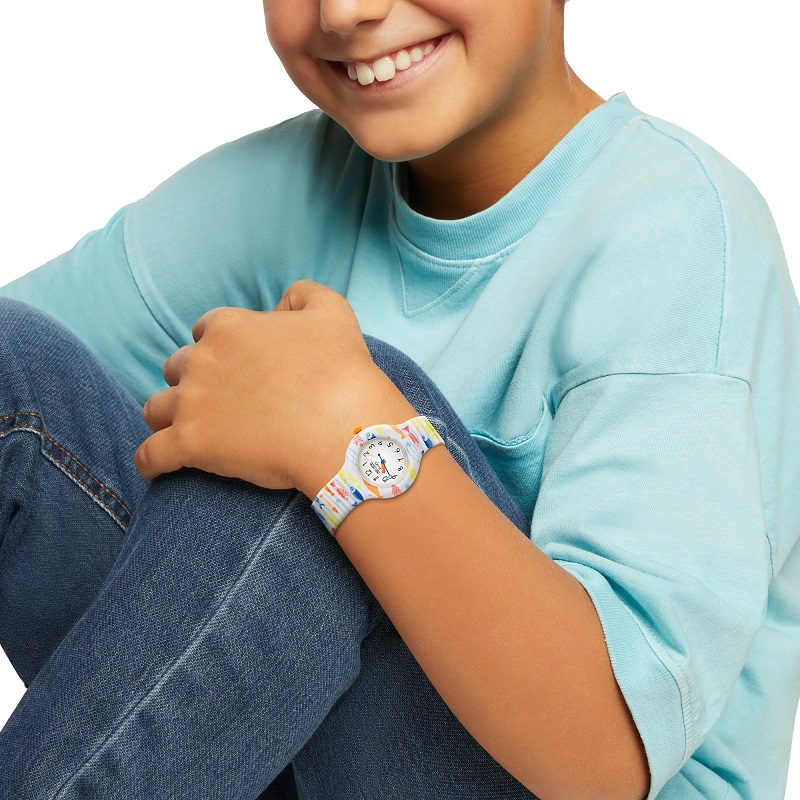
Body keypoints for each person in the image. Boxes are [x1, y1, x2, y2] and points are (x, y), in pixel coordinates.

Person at [0, 1, 797, 798]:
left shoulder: (677, 236)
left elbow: (605, 757)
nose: (347, 10)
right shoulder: (287, 188)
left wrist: (345, 437)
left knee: (318, 431)